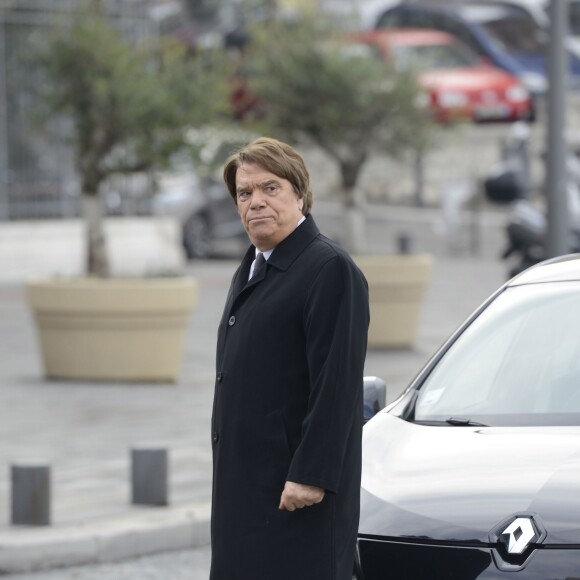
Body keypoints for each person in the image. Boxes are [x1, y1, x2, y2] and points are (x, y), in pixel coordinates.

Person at [210, 137, 369, 580]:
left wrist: (311, 475)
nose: (255, 202)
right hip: (245, 488)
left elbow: (335, 385)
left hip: (294, 495)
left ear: (300, 194)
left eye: (270, 188)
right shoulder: (253, 266)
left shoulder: (329, 269)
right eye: (245, 193)